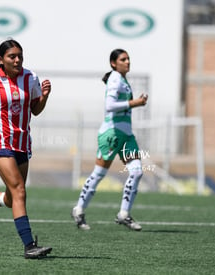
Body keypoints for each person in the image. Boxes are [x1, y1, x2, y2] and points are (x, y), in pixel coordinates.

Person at [0, 39, 52, 259]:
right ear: (1, 59)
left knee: (10, 197)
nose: (17, 60)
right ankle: (29, 246)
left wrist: (44, 97)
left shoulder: (30, 77)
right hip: (1, 142)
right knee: (19, 192)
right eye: (12, 56)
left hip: (22, 143)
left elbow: (35, 110)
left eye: (20, 56)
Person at [71, 49, 148, 231]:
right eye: (123, 59)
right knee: (99, 174)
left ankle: (123, 214)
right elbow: (110, 106)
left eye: (128, 58)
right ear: (113, 63)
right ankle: (79, 209)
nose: (127, 62)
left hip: (127, 135)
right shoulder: (114, 78)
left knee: (136, 172)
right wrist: (134, 103)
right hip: (112, 134)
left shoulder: (121, 79)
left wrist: (135, 102)